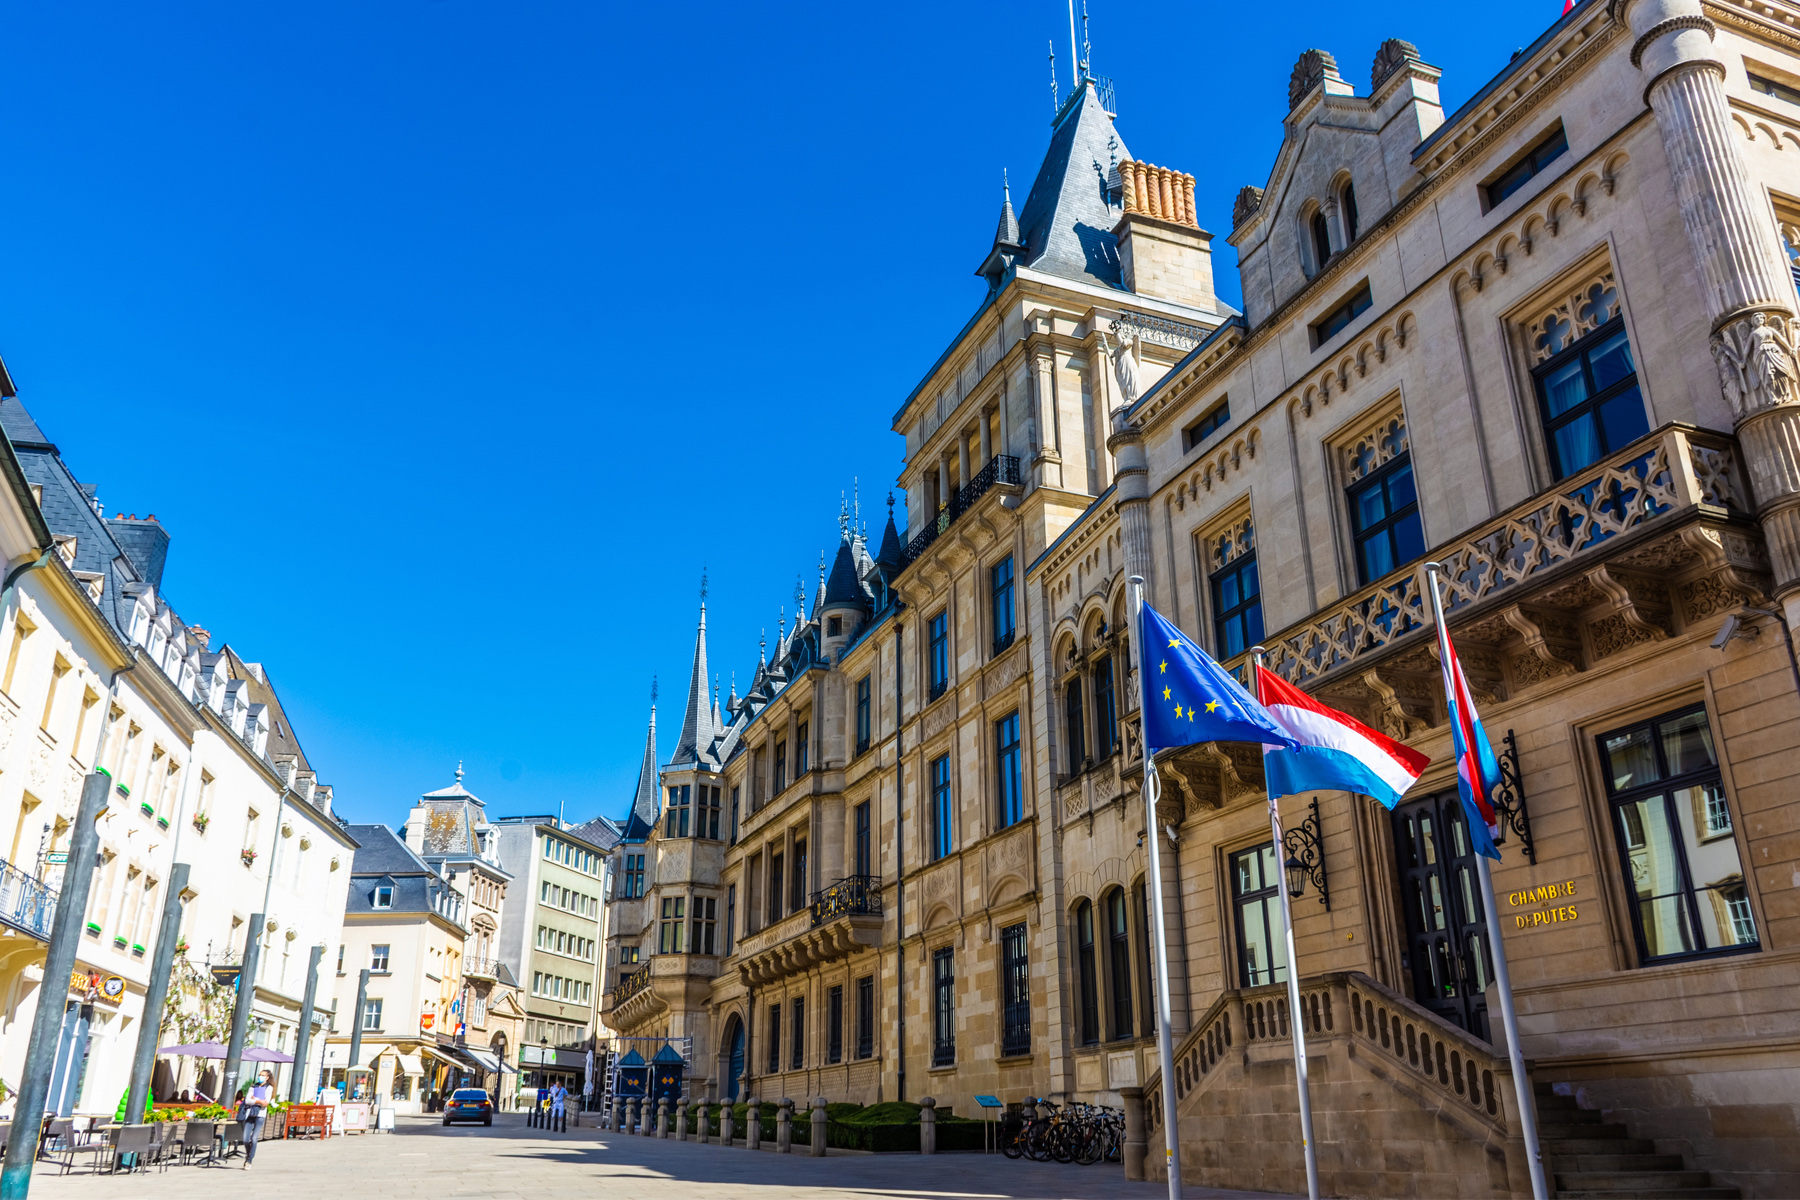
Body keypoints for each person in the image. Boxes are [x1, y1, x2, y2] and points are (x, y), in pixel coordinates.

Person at [238, 1069, 274, 1169]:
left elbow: (266, 1103)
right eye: (259, 1075)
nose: (260, 1076)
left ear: (267, 1078)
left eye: (262, 1075)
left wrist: (255, 1099)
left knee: (254, 1138)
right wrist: (259, 1100)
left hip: (260, 1115)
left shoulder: (269, 1088)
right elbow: (247, 1101)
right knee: (245, 1139)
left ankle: (249, 1160)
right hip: (250, 1115)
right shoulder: (253, 1087)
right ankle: (248, 1154)